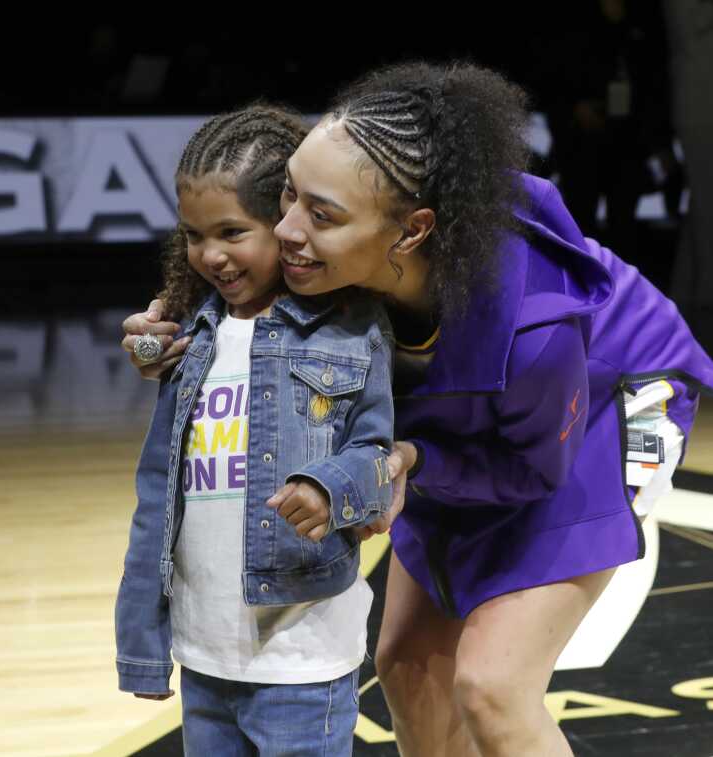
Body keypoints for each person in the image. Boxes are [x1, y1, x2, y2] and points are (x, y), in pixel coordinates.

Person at [122, 61, 713, 756]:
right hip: (470, 425)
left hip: (620, 391)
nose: (284, 231)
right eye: (287, 197)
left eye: (320, 214)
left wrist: (415, 457)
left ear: (410, 231)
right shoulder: (326, 244)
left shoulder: (534, 329)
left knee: (493, 687)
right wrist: (172, 324)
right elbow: (228, 281)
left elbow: (532, 472)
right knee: (405, 668)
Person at [114, 103, 396, 756]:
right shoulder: (194, 337)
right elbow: (157, 495)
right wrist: (144, 641)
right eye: (193, 235)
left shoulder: (351, 333)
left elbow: (378, 456)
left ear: (290, 224)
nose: (210, 254)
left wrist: (332, 488)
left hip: (302, 656)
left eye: (233, 232)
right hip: (206, 653)